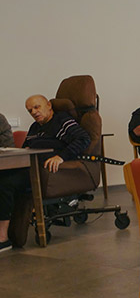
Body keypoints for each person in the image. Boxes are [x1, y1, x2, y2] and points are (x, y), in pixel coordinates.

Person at [0, 95, 91, 252]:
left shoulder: (62, 120)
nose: (34, 112)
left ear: (48, 105)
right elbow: (26, 148)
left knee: (5, 184)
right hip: (29, 166)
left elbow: (83, 138)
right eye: (30, 110)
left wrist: (61, 156)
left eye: (37, 107)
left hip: (42, 170)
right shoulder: (35, 127)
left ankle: (3, 238)